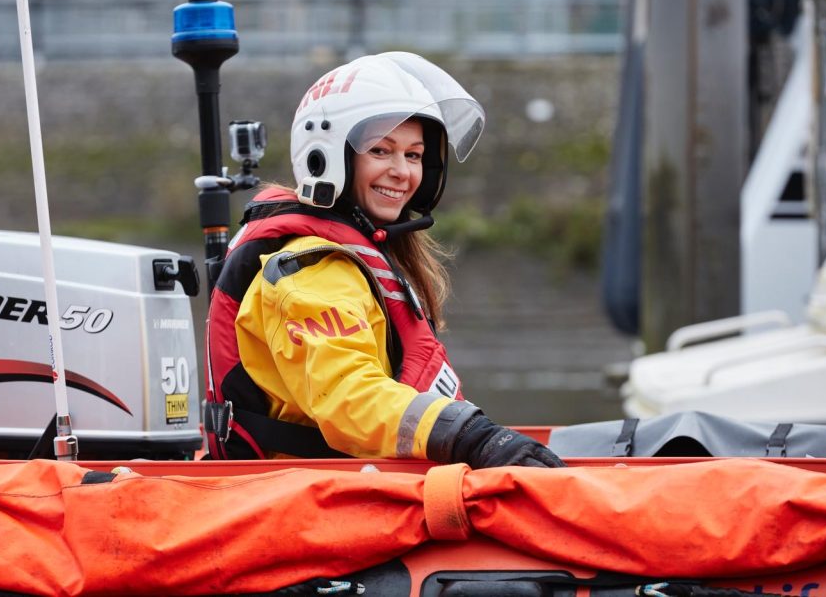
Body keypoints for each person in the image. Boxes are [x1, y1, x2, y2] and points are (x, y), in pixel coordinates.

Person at [204, 52, 564, 469]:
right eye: (381, 150)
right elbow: (350, 398)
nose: (402, 172)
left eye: (413, 156)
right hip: (314, 497)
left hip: (359, 483)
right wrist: (472, 436)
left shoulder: (360, 259)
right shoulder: (311, 275)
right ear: (328, 156)